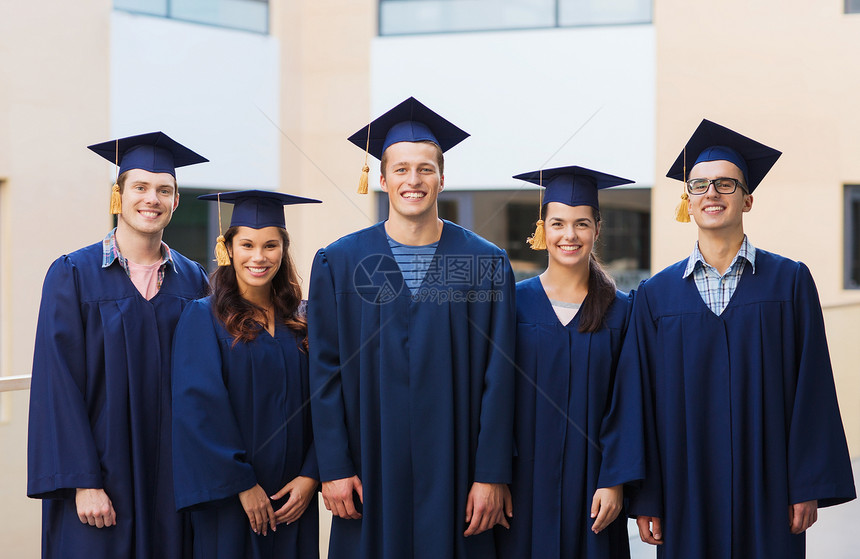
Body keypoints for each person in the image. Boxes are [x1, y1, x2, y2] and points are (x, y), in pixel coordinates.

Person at [626, 119, 856, 558]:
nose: (712, 192)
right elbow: (641, 403)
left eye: (726, 184)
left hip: (768, 485)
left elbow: (813, 388)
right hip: (684, 488)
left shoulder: (789, 281)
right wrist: (648, 495)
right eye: (700, 185)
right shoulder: (656, 296)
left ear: (748, 199)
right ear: (688, 201)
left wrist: (805, 484)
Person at [308, 96, 517, 559]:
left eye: (425, 169)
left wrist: (491, 473)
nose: (413, 181)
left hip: (458, 471)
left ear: (443, 177)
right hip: (368, 468)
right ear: (381, 179)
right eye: (401, 169)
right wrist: (334, 467)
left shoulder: (484, 263)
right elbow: (324, 373)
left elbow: (500, 377)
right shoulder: (340, 263)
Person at [27, 132, 209, 558]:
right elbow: (58, 384)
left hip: (171, 481)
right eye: (140, 187)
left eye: (164, 190)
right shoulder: (73, 274)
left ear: (176, 201)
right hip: (100, 481)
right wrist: (83, 481)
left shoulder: (194, 280)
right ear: (119, 195)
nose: (152, 199)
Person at [496, 166, 645, 559]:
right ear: (542, 229)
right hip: (521, 485)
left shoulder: (622, 312)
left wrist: (615, 481)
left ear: (597, 229)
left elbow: (629, 404)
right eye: (558, 223)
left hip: (593, 488)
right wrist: (495, 475)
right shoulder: (512, 304)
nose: (569, 235)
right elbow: (492, 396)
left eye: (582, 223)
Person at [171, 190, 322, 559]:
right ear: (228, 249)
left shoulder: (304, 318)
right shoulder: (203, 317)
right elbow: (197, 410)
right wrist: (242, 485)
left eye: (270, 245)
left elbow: (329, 397)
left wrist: (310, 476)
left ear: (283, 250)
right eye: (248, 244)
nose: (259, 257)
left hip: (293, 499)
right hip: (232, 499)